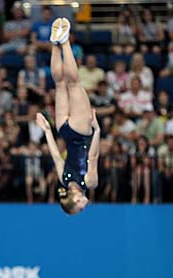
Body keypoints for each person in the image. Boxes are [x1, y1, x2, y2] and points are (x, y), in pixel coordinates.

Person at [36, 18, 100, 215]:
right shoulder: (63, 179)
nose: (85, 204)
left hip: (82, 132)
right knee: (60, 84)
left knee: (74, 83)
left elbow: (93, 155)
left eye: (80, 206)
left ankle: (64, 42)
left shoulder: (90, 183)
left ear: (74, 200)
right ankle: (55, 44)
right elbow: (55, 154)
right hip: (63, 129)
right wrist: (48, 130)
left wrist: (97, 130)